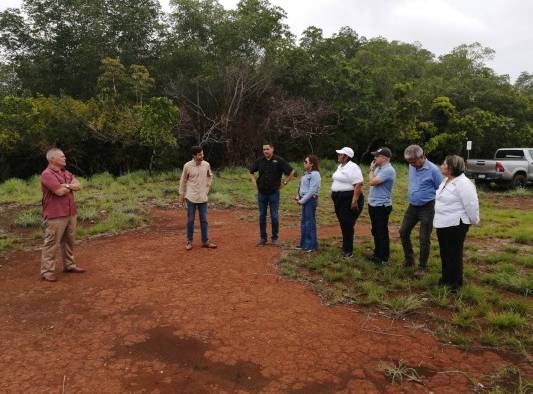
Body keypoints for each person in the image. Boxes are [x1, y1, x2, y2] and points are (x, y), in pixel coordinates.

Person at [434, 155, 480, 291]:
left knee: (454, 254)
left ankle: (454, 283)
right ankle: (446, 279)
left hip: (456, 224)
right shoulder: (446, 180)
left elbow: (471, 204)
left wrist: (473, 220)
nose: (442, 166)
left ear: (452, 167)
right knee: (445, 253)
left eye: (444, 164)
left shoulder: (464, 184)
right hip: (443, 223)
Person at [40, 148, 85, 282]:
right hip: (55, 215)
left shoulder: (66, 172)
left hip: (70, 213)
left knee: (69, 241)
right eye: (62, 156)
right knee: (51, 242)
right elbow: (59, 191)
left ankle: (69, 265)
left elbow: (78, 185)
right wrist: (69, 186)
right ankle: (47, 271)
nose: (65, 158)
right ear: (53, 159)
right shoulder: (47, 174)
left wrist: (67, 185)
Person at [399, 144, 443, 270]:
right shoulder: (412, 166)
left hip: (427, 207)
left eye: (413, 162)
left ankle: (422, 267)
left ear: (422, 157)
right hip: (412, 206)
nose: (411, 164)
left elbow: (440, 189)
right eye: (409, 162)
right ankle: (409, 259)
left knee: (424, 238)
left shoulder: (433, 170)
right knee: (403, 232)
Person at [250, 143, 295, 246]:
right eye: (264, 149)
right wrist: (255, 183)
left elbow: (291, 172)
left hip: (274, 193)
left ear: (272, 149)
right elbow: (251, 171)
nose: (265, 151)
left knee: (274, 216)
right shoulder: (260, 161)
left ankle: (275, 238)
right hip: (262, 193)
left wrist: (284, 183)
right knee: (262, 215)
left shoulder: (279, 160)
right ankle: (263, 238)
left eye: (267, 149)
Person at [178, 146, 217, 250]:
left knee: (204, 220)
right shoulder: (187, 166)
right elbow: (183, 181)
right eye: (199, 155)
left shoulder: (206, 165)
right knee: (190, 220)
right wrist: (181, 195)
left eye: (202, 154)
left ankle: (205, 241)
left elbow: (210, 176)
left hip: (203, 197)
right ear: (194, 156)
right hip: (191, 197)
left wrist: (207, 189)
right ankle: (189, 241)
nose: (202, 156)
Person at [331, 147, 364, 259]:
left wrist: (354, 200)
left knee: (347, 224)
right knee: (343, 223)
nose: (338, 155)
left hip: (348, 198)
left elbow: (358, 184)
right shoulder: (340, 167)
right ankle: (345, 247)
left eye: (340, 154)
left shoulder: (353, 167)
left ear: (346, 156)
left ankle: (348, 251)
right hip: (339, 198)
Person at [367, 147, 396, 266]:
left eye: (377, 156)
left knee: (381, 232)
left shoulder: (388, 170)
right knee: (375, 230)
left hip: (382, 205)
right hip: (374, 203)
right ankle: (377, 254)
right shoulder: (379, 168)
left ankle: (383, 258)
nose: (374, 158)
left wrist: (370, 170)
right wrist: (374, 169)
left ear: (384, 158)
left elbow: (372, 181)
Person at [294, 155, 321, 252]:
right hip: (305, 199)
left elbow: (312, 190)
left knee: (309, 222)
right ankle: (304, 244)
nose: (304, 163)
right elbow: (301, 188)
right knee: (304, 222)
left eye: (306, 162)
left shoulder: (315, 174)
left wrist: (302, 200)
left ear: (311, 164)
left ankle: (311, 246)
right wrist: (298, 196)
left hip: (310, 200)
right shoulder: (306, 174)